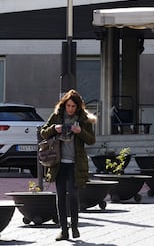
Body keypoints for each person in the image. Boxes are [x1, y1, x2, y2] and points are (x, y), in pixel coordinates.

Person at [40, 89, 96, 241]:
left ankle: (75, 227)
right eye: (68, 106)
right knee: (60, 197)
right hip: (58, 163)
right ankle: (63, 230)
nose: (70, 109)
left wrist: (80, 132)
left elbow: (91, 140)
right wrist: (54, 129)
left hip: (75, 164)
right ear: (64, 105)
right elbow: (43, 132)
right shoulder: (57, 116)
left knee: (73, 195)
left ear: (78, 107)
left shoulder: (84, 119)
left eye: (73, 106)